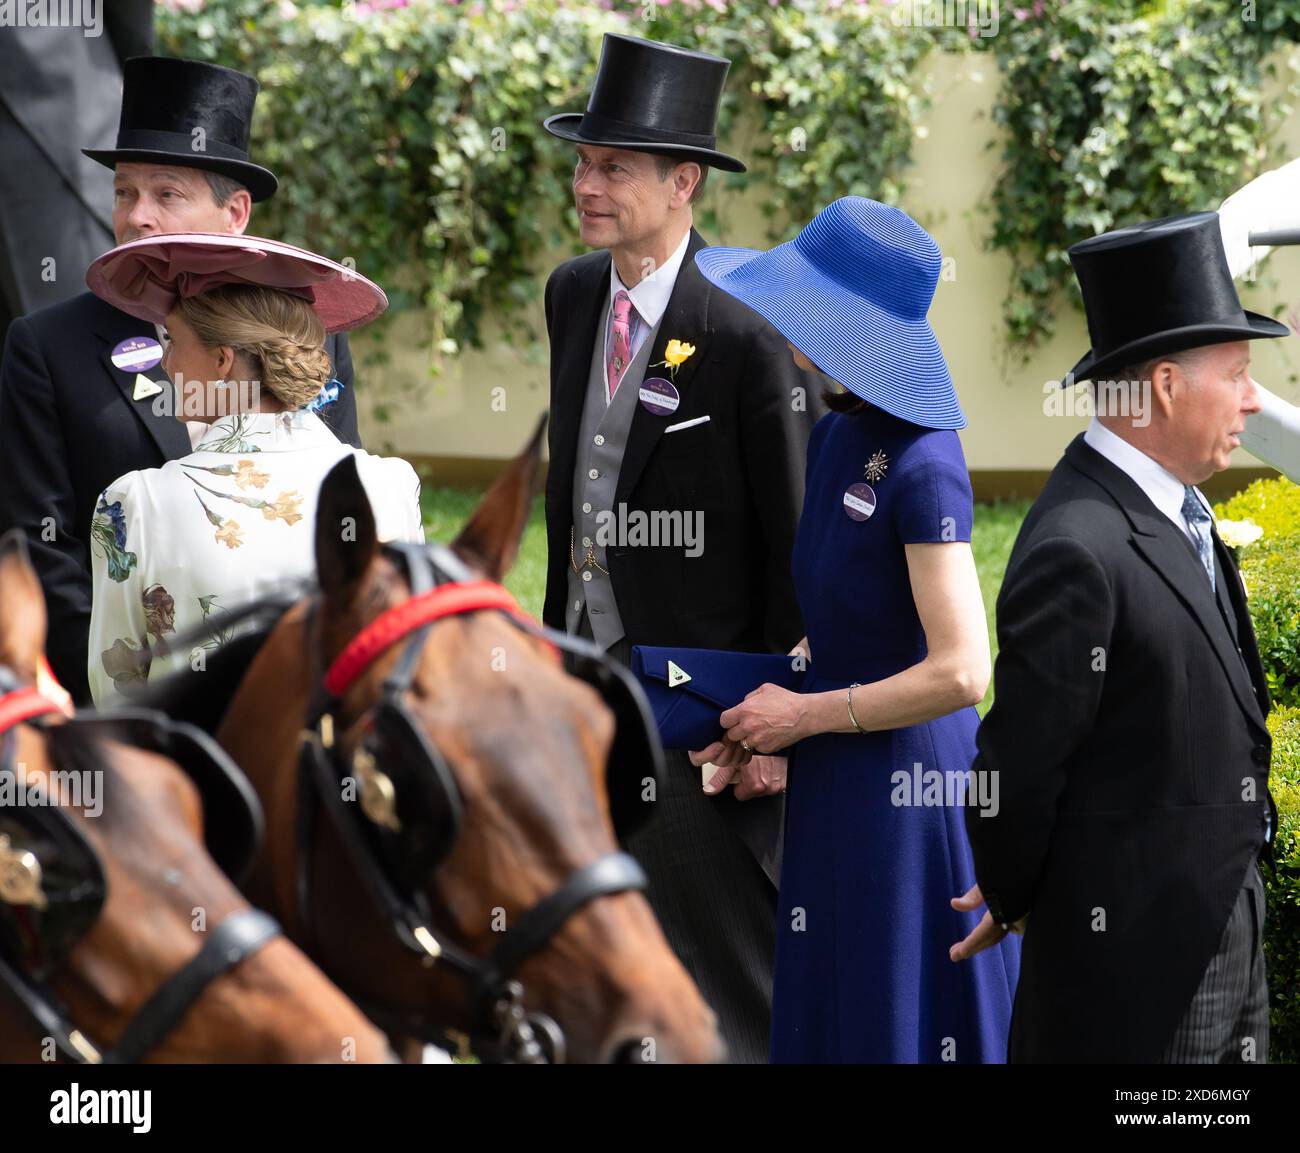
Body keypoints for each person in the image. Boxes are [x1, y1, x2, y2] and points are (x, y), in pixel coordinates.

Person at [540, 33, 826, 1063]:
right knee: (606, 977)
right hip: (581, 691)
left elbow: (799, 541)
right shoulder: (572, 294)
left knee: (729, 992)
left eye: (613, 166)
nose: (586, 183)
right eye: (582, 161)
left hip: (709, 718)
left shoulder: (749, 327)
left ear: (684, 181)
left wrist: (780, 728)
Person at [691, 195, 1019, 1063]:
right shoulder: (841, 431)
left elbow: (962, 672)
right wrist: (755, 704)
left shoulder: (925, 462)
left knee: (896, 1014)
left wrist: (800, 718)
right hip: (839, 766)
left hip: (907, 789)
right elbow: (837, 624)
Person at [953, 211, 1282, 1063]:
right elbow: (1015, 769)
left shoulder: (1171, 507)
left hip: (1219, 927)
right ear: (1166, 386)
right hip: (1140, 972)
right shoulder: (1079, 543)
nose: (1254, 397)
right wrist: (1018, 889)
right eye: (1239, 374)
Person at [0, 56, 362, 705]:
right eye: (124, 192)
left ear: (236, 212)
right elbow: (40, 544)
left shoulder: (310, 331)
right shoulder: (45, 347)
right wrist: (130, 691)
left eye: (166, 194)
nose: (137, 215)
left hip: (296, 689)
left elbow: (338, 505)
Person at [82, 233, 421, 706]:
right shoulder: (389, 485)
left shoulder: (135, 504)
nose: (164, 362)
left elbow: (117, 688)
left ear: (222, 361)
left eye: (173, 341)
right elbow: (406, 661)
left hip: (202, 771)